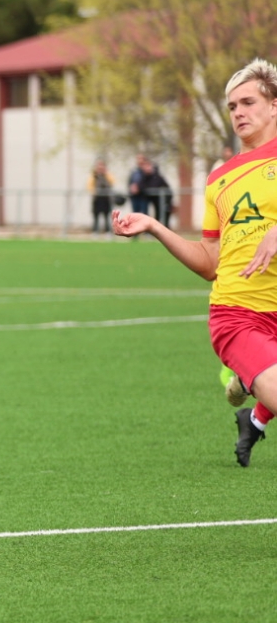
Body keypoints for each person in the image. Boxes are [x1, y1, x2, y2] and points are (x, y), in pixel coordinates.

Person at [113, 57, 277, 467]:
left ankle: (248, 388)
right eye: (232, 106)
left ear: (274, 105)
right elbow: (209, 262)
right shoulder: (219, 179)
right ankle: (253, 381)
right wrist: (154, 226)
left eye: (248, 102)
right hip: (237, 313)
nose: (239, 112)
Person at [128, 155, 174, 225]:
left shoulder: (156, 175)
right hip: (155, 199)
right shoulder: (143, 175)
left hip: (164, 198)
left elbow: (153, 185)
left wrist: (138, 188)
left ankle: (165, 231)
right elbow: (143, 184)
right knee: (157, 215)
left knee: (164, 215)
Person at [88, 158, 118, 233]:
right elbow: (89, 186)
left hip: (106, 198)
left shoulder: (108, 175)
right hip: (97, 198)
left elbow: (112, 182)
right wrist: (94, 191)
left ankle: (108, 231)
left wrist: (106, 173)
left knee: (106, 215)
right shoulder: (93, 176)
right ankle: (95, 231)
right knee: (96, 215)